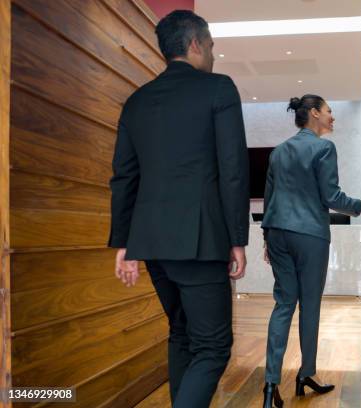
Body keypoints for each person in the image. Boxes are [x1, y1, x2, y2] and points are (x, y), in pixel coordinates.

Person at [108, 10, 249, 408]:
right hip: (200, 240)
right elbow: (233, 169)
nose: (214, 55)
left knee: (182, 333)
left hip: (150, 242)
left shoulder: (136, 101)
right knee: (214, 347)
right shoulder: (218, 89)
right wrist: (237, 239)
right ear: (194, 44)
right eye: (211, 46)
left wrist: (124, 243)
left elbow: (123, 176)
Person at [261, 95, 361, 407]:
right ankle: (304, 374)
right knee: (309, 305)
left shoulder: (279, 151)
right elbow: (332, 196)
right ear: (314, 114)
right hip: (309, 234)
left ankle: (270, 386)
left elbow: (270, 198)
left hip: (277, 233)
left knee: (283, 304)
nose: (332, 116)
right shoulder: (324, 147)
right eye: (329, 111)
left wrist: (267, 240)